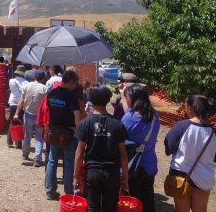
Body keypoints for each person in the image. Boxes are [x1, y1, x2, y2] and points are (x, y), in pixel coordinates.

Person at [74, 84, 129, 212]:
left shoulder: (85, 124)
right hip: (112, 172)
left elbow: (79, 152)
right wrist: (125, 177)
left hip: (92, 172)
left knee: (93, 206)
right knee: (110, 207)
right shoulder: (117, 124)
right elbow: (123, 154)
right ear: (108, 100)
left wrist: (76, 176)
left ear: (91, 101)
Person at [164, 95, 216, 212]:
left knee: (181, 209)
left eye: (185, 105)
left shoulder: (181, 126)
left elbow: (169, 148)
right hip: (204, 177)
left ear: (191, 107)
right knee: (200, 209)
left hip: (180, 174)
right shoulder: (215, 134)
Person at [120, 83, 160, 211]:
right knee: (147, 198)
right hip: (149, 164)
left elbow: (119, 137)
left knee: (132, 201)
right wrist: (122, 94)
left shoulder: (129, 118)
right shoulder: (154, 116)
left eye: (127, 97)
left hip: (132, 165)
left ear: (133, 98)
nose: (126, 100)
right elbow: (129, 111)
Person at [45, 70, 84, 200]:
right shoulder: (70, 96)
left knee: (52, 161)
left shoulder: (51, 93)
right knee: (68, 163)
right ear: (71, 82)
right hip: (68, 133)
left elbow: (49, 110)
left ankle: (50, 191)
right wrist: (78, 133)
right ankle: (68, 192)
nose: (76, 86)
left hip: (53, 131)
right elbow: (77, 116)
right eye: (75, 84)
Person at [14, 70, 48, 166]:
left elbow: (21, 100)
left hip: (28, 114)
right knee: (39, 138)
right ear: (43, 78)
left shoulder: (27, 86)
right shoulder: (45, 89)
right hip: (39, 116)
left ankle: (25, 153)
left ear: (34, 77)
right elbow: (47, 105)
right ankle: (37, 158)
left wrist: (17, 113)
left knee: (27, 135)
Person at [7, 65, 28, 148]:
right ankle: (18, 143)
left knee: (12, 121)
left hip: (12, 103)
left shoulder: (11, 81)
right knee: (20, 123)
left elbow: (11, 90)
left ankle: (9, 141)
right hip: (22, 103)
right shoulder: (27, 83)